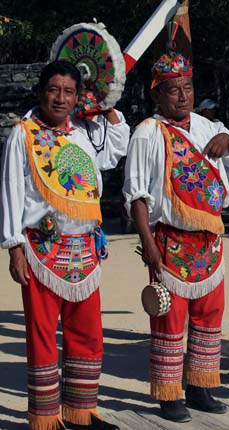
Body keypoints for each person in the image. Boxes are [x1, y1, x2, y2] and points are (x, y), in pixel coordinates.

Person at [122, 51, 229, 423]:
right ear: (157, 95)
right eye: (173, 90)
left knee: (209, 316)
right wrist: (148, 245)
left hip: (209, 240)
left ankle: (200, 386)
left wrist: (227, 139)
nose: (183, 96)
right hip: (170, 241)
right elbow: (136, 195)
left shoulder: (208, 127)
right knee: (169, 319)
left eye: (188, 88)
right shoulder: (148, 132)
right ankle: (169, 392)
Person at [1, 60, 129, 430]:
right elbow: (10, 189)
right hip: (42, 249)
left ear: (78, 97)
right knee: (41, 334)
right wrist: (14, 247)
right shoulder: (22, 134)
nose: (60, 98)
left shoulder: (83, 135)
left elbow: (116, 146)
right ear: (41, 92)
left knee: (87, 333)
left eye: (69, 91)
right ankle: (45, 417)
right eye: (54, 89)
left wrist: (105, 103)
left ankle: (82, 411)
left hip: (85, 250)